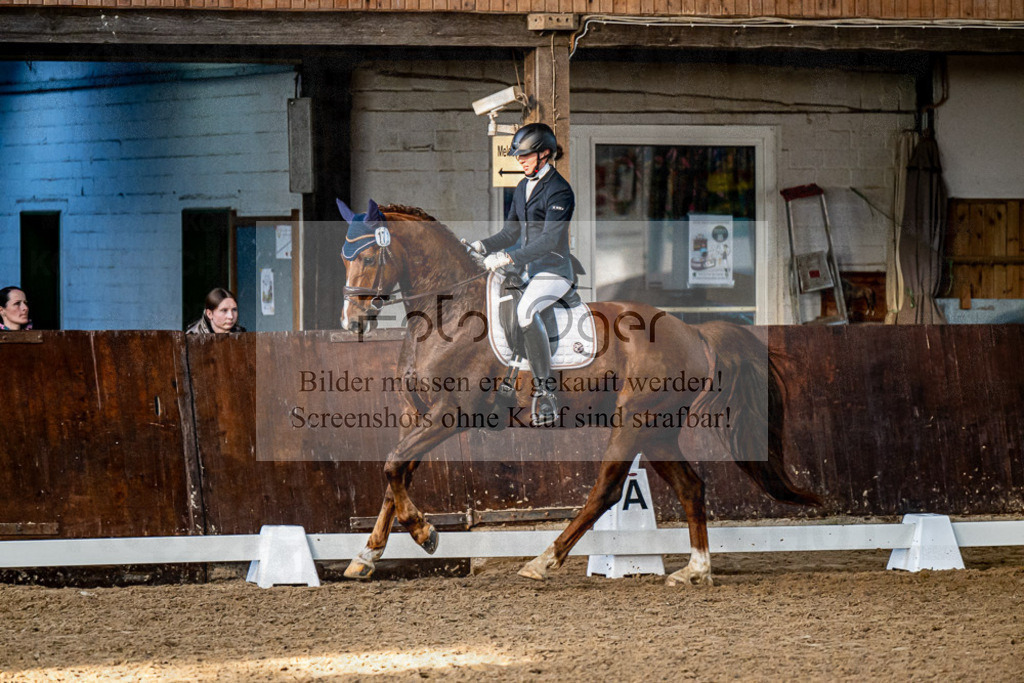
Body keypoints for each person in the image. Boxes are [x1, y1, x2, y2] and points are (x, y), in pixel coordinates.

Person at [468, 122, 576, 426]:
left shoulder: (559, 191)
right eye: (519, 156)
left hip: (554, 271)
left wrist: (507, 257)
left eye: (526, 155)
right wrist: (481, 245)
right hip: (527, 271)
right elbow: (510, 233)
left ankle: (546, 393)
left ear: (545, 154)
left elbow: (549, 241)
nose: (520, 160)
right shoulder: (522, 187)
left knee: (526, 311)